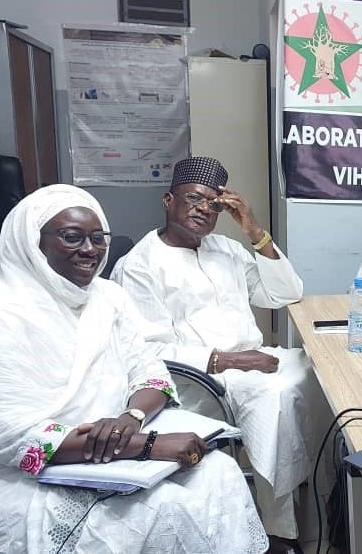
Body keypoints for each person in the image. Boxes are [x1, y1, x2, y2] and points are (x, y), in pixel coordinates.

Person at [0, 184, 268, 553]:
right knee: (166, 509)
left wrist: (132, 416)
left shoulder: (107, 298)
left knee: (222, 473)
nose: (90, 250)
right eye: (72, 237)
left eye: (98, 238)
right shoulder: (5, 312)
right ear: (30, 242)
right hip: (41, 472)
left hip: (118, 444)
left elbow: (149, 369)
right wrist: (144, 445)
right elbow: (10, 436)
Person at [111, 156, 329, 550]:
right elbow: (147, 349)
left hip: (254, 363)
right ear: (168, 200)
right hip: (198, 380)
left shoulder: (226, 249)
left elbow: (285, 292)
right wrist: (228, 360)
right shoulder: (140, 265)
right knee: (275, 398)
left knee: (327, 377)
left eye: (212, 204)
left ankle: (321, 493)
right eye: (193, 199)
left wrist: (254, 229)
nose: (202, 209)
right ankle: (278, 527)